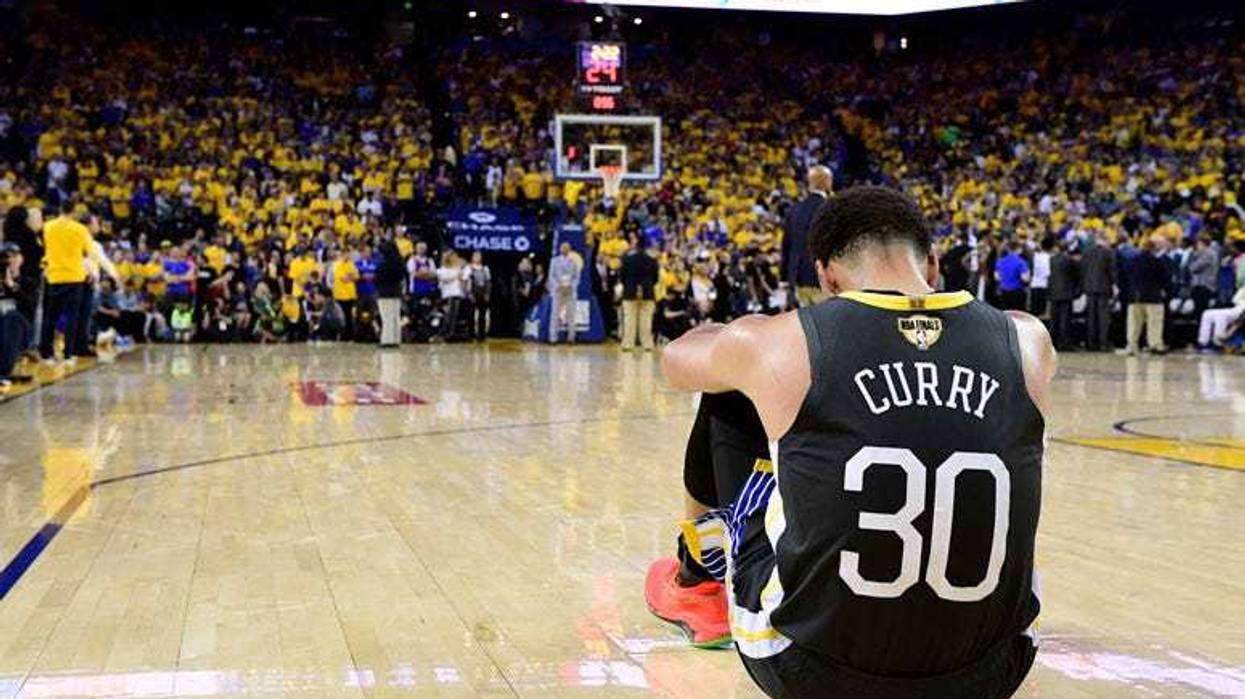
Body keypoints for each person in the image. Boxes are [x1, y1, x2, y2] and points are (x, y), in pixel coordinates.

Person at [648, 186, 1052, 699]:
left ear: (825, 275)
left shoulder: (779, 341)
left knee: (728, 394)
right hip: (993, 671)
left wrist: (734, 332)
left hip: (809, 670)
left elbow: (676, 361)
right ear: (932, 266)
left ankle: (698, 582)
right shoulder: (1027, 340)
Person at [39, 206, 93, 364]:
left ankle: (46, 353)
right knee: (72, 316)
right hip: (74, 276)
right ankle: (68, 354)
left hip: (54, 275)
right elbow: (88, 252)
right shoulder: (80, 229)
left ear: (60, 210)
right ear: (73, 212)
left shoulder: (48, 227)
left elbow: (46, 248)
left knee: (50, 317)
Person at [781, 165, 832, 307]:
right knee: (824, 326)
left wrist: (785, 278)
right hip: (822, 280)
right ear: (828, 182)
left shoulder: (795, 209)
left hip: (797, 277)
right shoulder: (831, 208)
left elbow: (786, 244)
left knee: (804, 326)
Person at [1122, 236, 1170, 356]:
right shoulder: (1157, 262)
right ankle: (1154, 344)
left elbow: (1125, 277)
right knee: (1154, 323)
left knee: (1133, 324)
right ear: (1153, 249)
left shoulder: (1131, 261)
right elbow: (1165, 279)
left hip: (1134, 296)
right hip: (1153, 297)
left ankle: (1132, 346)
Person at [0, 243, 34, 386]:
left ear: (21, 259)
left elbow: (30, 305)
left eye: (14, 257)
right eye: (6, 258)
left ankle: (2, 371)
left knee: (12, 317)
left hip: (21, 330)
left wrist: (12, 285)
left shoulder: (28, 282)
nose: (10, 261)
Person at [620, 235, 659, 351]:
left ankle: (627, 344)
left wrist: (629, 285)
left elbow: (622, 276)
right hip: (647, 292)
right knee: (646, 320)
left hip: (630, 291)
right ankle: (647, 344)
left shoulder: (627, 259)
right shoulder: (652, 260)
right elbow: (655, 278)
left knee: (629, 319)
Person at [1080, 230, 1116, 351]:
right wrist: (1114, 285)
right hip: (1104, 288)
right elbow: (1112, 271)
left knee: (1091, 317)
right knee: (1103, 318)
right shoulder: (1108, 252)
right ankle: (1103, 344)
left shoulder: (1086, 252)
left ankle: (1091, 344)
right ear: (1104, 239)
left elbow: (1082, 269)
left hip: (1089, 287)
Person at [1047, 240, 1080, 351]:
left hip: (1054, 293)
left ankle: (1053, 343)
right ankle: (1064, 344)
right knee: (1065, 320)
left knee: (1054, 319)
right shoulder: (1070, 261)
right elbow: (1077, 275)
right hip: (1066, 294)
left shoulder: (1051, 260)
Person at [375, 230, 406, 348]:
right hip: (396, 292)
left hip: (384, 293)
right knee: (395, 317)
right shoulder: (399, 263)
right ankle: (396, 339)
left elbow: (377, 279)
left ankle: (387, 340)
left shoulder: (383, 265)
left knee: (386, 317)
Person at [548, 242, 581, 343]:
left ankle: (571, 337)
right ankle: (553, 338)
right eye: (563, 247)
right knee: (555, 314)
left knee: (571, 314)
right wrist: (559, 286)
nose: (565, 249)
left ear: (569, 249)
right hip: (558, 291)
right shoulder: (554, 261)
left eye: (567, 248)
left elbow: (577, 276)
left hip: (570, 291)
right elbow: (551, 276)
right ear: (560, 249)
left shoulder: (574, 261)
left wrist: (572, 286)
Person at [437, 250, 467, 341]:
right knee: (448, 314)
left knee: (455, 315)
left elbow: (463, 279)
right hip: (448, 294)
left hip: (458, 293)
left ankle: (452, 333)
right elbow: (443, 279)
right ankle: (444, 332)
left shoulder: (459, 269)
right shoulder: (442, 269)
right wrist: (455, 276)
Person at [330, 247, 359, 342]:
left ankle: (351, 336)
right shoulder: (337, 265)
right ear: (342, 254)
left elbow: (357, 276)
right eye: (346, 254)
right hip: (340, 295)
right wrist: (350, 276)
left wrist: (350, 276)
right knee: (342, 317)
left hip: (350, 295)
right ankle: (343, 336)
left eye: (348, 254)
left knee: (350, 316)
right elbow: (343, 278)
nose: (348, 256)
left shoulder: (351, 264)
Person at [994, 240, 1030, 311]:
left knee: (1006, 313)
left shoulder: (1000, 261)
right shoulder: (1022, 262)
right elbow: (1025, 278)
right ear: (1018, 249)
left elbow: (997, 277)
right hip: (1017, 292)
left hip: (1004, 291)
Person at [466, 251, 492, 342]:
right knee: (471, 315)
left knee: (482, 315)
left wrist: (487, 294)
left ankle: (481, 335)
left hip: (482, 292)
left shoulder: (485, 269)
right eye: (475, 256)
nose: (477, 257)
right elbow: (467, 282)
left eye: (479, 256)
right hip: (473, 292)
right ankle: (471, 334)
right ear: (472, 257)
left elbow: (488, 282)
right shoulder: (468, 268)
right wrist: (469, 294)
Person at [1029, 238, 1052, 317]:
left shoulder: (1035, 256)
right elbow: (1049, 274)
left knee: (1034, 313)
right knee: (1042, 314)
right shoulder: (1050, 258)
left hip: (1034, 285)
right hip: (1044, 285)